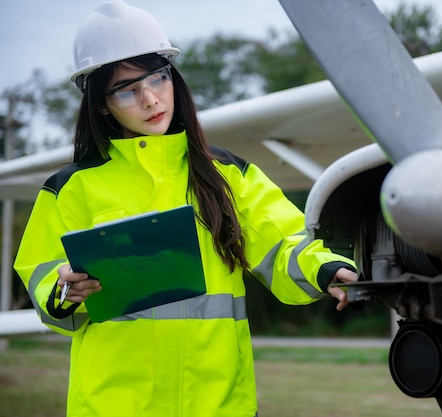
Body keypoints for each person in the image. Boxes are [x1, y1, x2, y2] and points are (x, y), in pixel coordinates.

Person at [13, 1, 358, 416]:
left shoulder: (227, 175)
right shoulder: (69, 189)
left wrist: (325, 267)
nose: (150, 99)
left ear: (172, 77)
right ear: (101, 104)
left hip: (217, 401)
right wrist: (65, 289)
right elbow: (42, 276)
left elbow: (285, 242)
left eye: (157, 79)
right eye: (127, 89)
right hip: (114, 403)